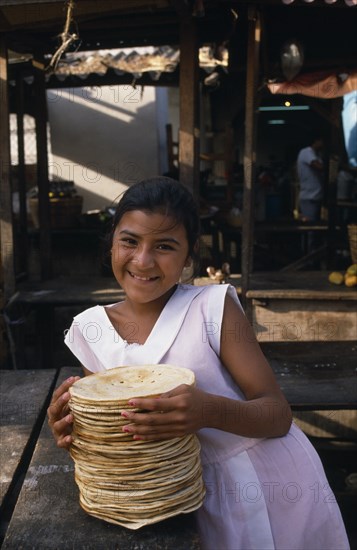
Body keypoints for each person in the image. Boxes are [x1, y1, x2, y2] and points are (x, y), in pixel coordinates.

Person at [47, 177, 349, 550]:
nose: (143, 260)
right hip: (173, 495)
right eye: (130, 241)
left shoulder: (211, 308)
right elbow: (122, 433)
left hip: (265, 481)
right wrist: (77, 429)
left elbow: (277, 414)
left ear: (189, 257)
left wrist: (207, 411)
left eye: (165, 246)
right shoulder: (90, 328)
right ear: (112, 241)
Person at [297, 135, 325, 223]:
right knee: (310, 225)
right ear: (316, 141)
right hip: (309, 197)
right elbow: (318, 166)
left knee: (316, 224)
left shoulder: (318, 154)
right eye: (322, 141)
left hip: (317, 196)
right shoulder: (306, 152)